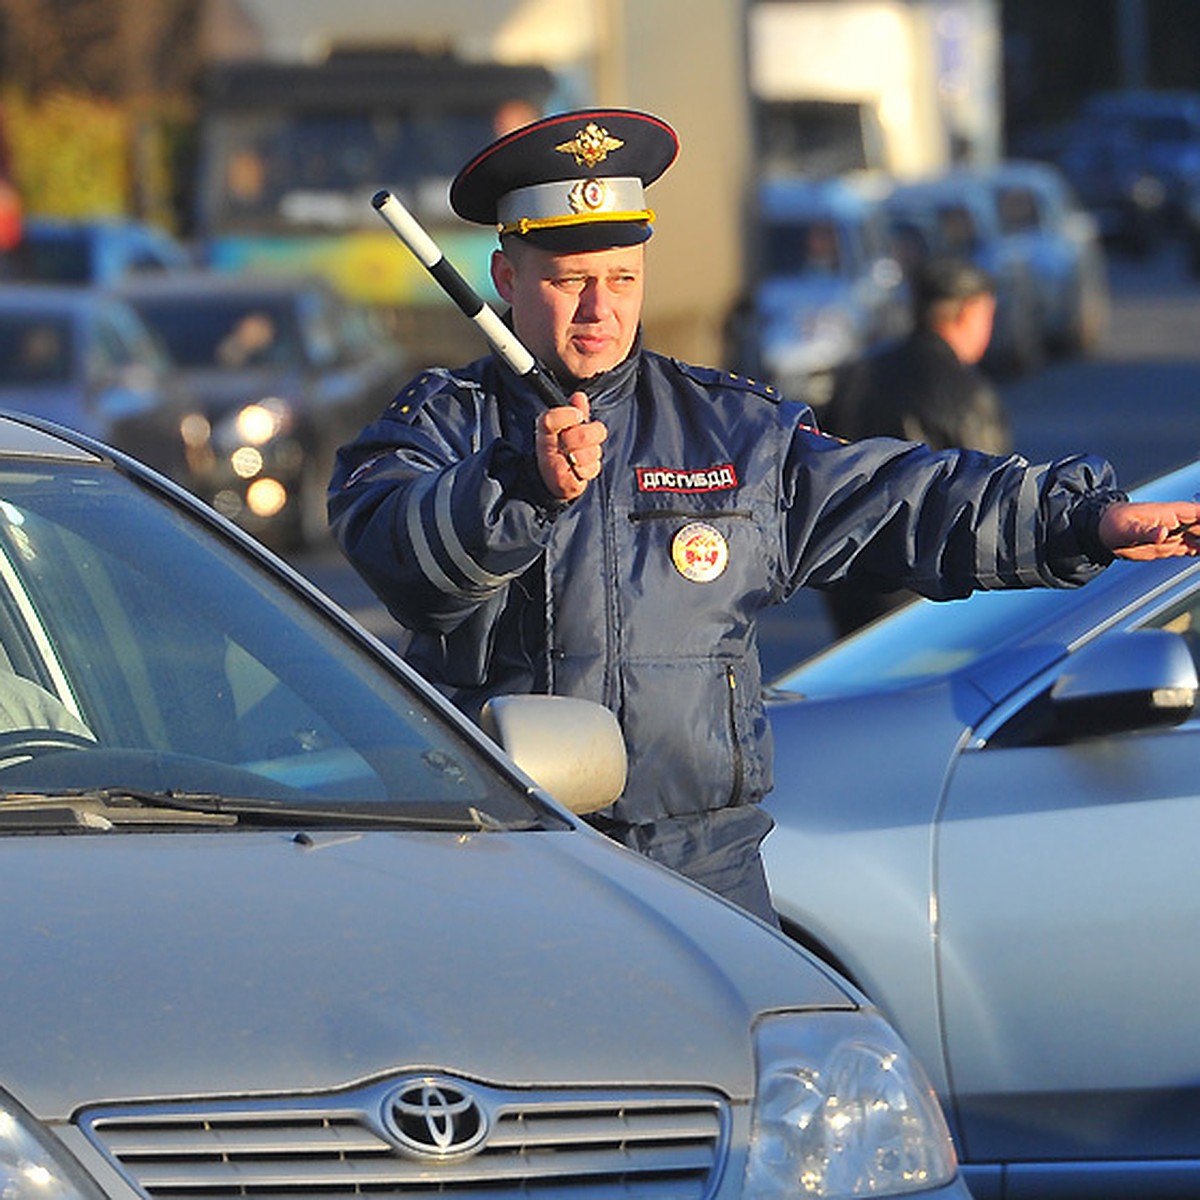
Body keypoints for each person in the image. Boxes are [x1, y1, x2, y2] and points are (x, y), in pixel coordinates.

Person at [328, 108, 1200, 927]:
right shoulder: (443, 422)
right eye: (569, 281)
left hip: (704, 873)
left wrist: (1084, 522)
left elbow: (909, 498)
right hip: (506, 869)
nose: (601, 309)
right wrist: (519, 484)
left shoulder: (733, 429)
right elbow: (395, 555)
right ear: (505, 276)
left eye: (623, 278)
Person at [820, 256, 1012, 636]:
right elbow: (994, 501)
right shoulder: (969, 393)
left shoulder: (859, 374)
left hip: (849, 581)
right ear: (970, 312)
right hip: (932, 596)